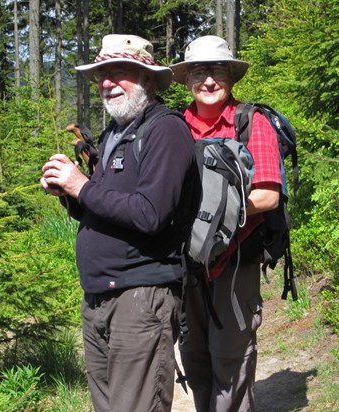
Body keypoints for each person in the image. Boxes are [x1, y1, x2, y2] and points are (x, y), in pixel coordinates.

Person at [41, 34, 199, 412]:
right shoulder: (116, 132)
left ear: (146, 77)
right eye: (101, 75)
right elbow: (104, 206)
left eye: (118, 73)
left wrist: (81, 187)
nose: (107, 83)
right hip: (99, 297)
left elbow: (150, 213)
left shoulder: (166, 130)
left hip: (140, 296)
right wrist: (68, 193)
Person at [170, 35, 283, 411]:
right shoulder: (174, 128)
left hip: (235, 263)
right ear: (186, 78)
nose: (208, 80)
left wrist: (210, 217)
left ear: (231, 76)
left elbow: (267, 196)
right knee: (195, 358)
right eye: (199, 71)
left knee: (231, 359)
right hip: (187, 268)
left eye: (217, 70)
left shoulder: (251, 123)